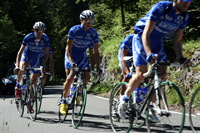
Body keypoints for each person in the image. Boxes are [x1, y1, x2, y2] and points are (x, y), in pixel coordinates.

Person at [118, 0, 191, 121]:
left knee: (163, 73)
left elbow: (177, 41)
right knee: (141, 74)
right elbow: (146, 33)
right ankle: (124, 99)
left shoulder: (184, 17)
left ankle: (150, 105)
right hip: (142, 37)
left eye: (189, 0)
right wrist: (148, 54)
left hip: (157, 40)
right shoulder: (161, 8)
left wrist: (181, 58)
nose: (187, 3)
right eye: (183, 0)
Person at [59, 10, 102, 115]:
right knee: (70, 77)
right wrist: (70, 62)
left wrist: (98, 67)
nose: (89, 23)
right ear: (81, 20)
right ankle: (63, 102)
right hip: (71, 55)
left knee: (86, 76)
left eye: (91, 21)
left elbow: (96, 52)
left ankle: (78, 93)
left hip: (81, 56)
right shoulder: (74, 30)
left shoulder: (93, 33)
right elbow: (68, 49)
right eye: (87, 21)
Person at [14, 21, 50, 113]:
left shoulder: (46, 39)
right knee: (22, 67)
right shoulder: (28, 37)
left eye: (42, 31)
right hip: (26, 55)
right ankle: (18, 86)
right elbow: (20, 52)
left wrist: (42, 65)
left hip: (36, 58)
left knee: (34, 79)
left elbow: (46, 54)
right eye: (38, 31)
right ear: (35, 30)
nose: (40, 33)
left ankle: (30, 101)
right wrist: (17, 66)